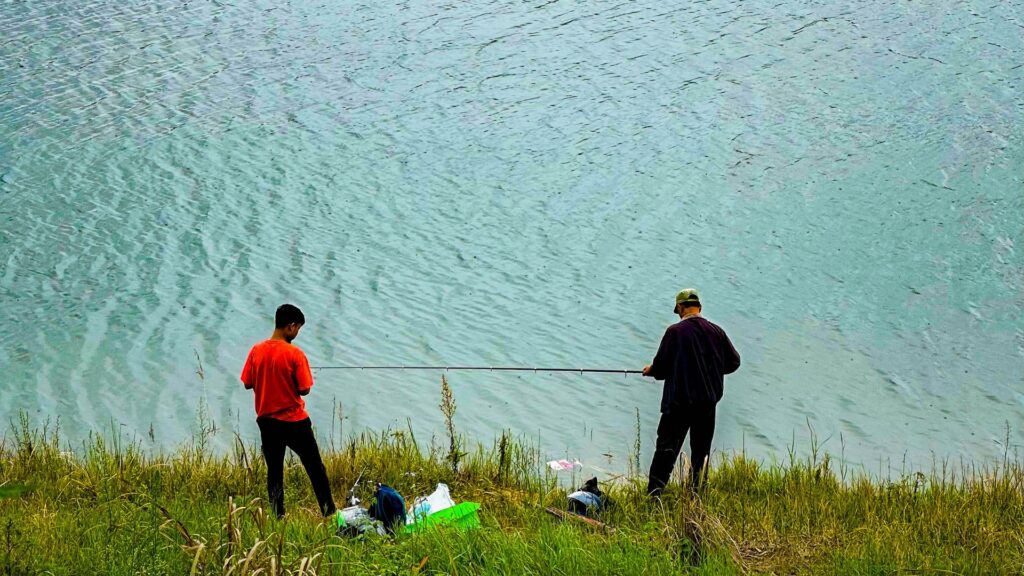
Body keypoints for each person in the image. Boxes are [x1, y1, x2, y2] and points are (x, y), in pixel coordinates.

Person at [241, 304, 336, 519]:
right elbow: (305, 389)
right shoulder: (295, 354)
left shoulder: (256, 350)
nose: (297, 334)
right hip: (295, 422)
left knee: (274, 470)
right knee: (314, 467)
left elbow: (247, 383)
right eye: (298, 329)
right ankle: (329, 512)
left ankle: (278, 515)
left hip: (266, 421)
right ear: (291, 326)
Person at [642, 288, 740, 496]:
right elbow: (733, 362)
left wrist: (651, 371)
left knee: (666, 450)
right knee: (700, 452)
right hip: (707, 404)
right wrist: (710, 370)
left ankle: (654, 495)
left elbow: (660, 368)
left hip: (679, 403)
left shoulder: (675, 332)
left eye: (677, 309)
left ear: (680, 307)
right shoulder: (717, 332)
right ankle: (696, 494)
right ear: (699, 307)